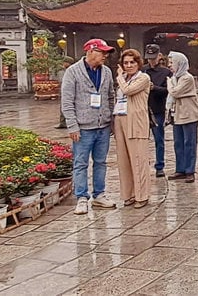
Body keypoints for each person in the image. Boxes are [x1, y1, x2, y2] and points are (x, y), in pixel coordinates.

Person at [61, 39, 118, 215]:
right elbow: (67, 101)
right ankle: (82, 198)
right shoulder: (73, 72)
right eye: (102, 52)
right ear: (91, 51)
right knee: (80, 163)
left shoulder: (106, 72)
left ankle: (99, 194)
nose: (105, 56)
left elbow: (111, 96)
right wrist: (72, 126)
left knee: (101, 162)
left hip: (103, 126)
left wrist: (111, 121)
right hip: (83, 128)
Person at [113, 48, 152, 208]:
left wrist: (119, 77)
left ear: (138, 63)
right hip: (120, 118)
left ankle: (142, 195)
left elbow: (128, 90)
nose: (129, 65)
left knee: (138, 159)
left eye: (132, 62)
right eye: (125, 63)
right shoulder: (124, 78)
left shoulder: (143, 78)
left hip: (136, 120)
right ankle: (128, 194)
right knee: (123, 160)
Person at [166, 51, 198, 183]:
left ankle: (190, 170)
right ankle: (180, 169)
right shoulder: (175, 78)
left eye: (171, 62)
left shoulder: (187, 78)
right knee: (178, 143)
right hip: (177, 114)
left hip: (189, 114)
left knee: (189, 143)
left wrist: (169, 83)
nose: (170, 65)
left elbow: (175, 92)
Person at [143, 45, 173, 178]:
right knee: (141, 140)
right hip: (142, 109)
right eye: (149, 58)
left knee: (159, 140)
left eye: (153, 58)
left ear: (159, 56)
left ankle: (159, 165)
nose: (151, 61)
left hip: (158, 110)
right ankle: (142, 165)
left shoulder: (166, 72)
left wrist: (154, 88)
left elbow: (169, 91)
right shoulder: (142, 70)